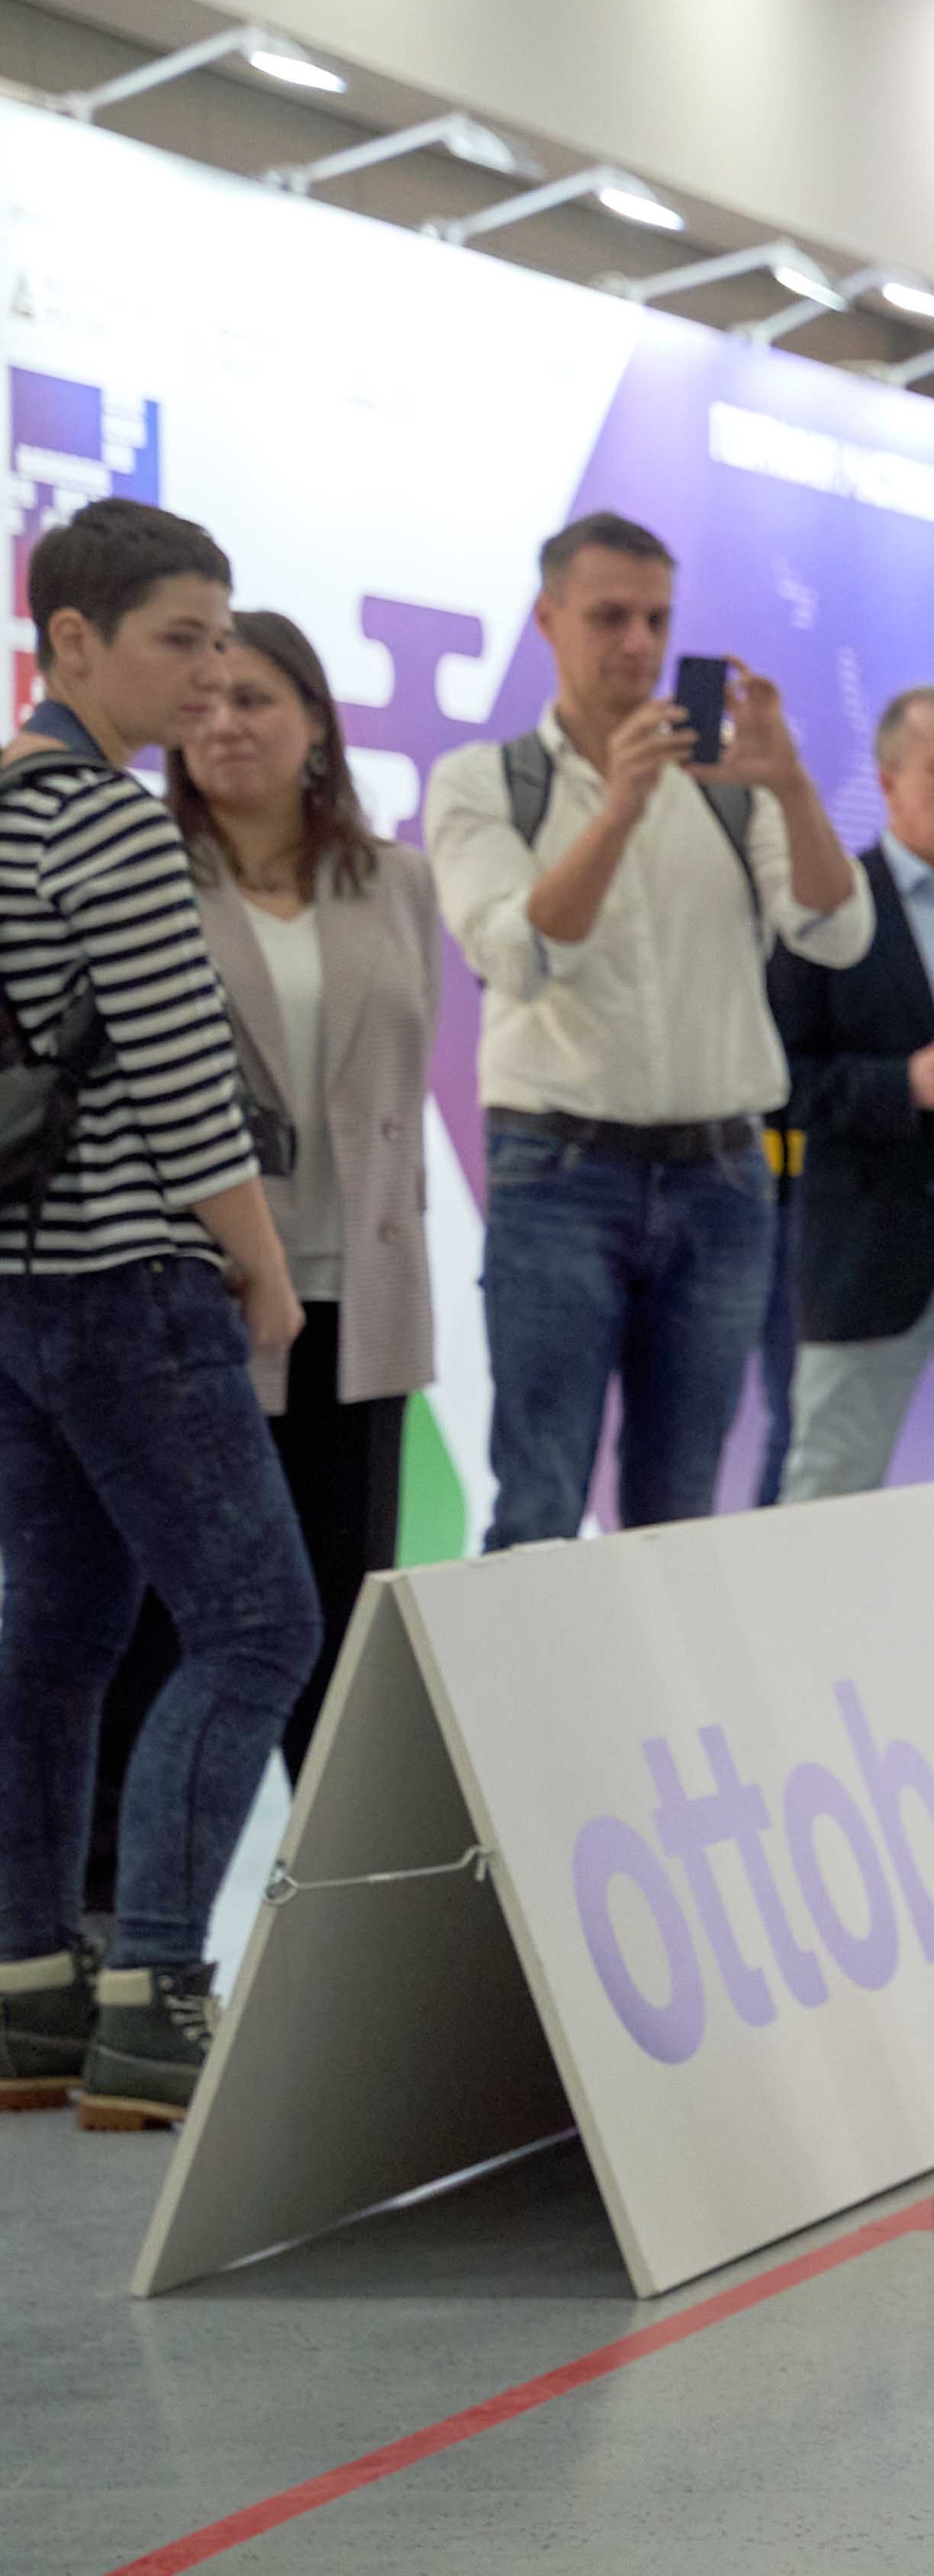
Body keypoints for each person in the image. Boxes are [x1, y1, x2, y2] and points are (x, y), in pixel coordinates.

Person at [0, 500, 318, 2129]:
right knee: (259, 1626)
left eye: (223, 641)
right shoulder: (112, 825)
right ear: (73, 639)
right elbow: (189, 1087)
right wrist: (260, 1264)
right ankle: (155, 1995)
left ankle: (28, 1986)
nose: (207, 677)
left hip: (16, 1289)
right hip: (135, 1284)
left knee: (53, 1639)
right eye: (180, 641)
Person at [426, 512, 868, 1545]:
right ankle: (532, 1663)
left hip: (722, 1176)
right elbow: (518, 956)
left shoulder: (731, 789)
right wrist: (618, 809)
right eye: (610, 616)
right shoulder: (486, 782)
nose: (638, 642)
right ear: (548, 618)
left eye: (657, 619)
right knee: (540, 1498)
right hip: (559, 1171)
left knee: (681, 1510)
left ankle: (658, 1664)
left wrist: (791, 784)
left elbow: (836, 932)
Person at [153, 609, 439, 1788]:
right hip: (206, 1300)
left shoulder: (396, 880)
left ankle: (325, 1878)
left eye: (256, 698)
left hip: (361, 1297)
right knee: (190, 1628)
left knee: (341, 1630)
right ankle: (144, 1888)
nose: (226, 722)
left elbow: (398, 1083)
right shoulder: (148, 876)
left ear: (316, 722)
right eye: (207, 700)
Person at [766, 688, 934, 1501]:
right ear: (888, 781)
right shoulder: (832, 905)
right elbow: (776, 1080)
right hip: (872, 1245)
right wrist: (902, 1084)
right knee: (832, 1488)